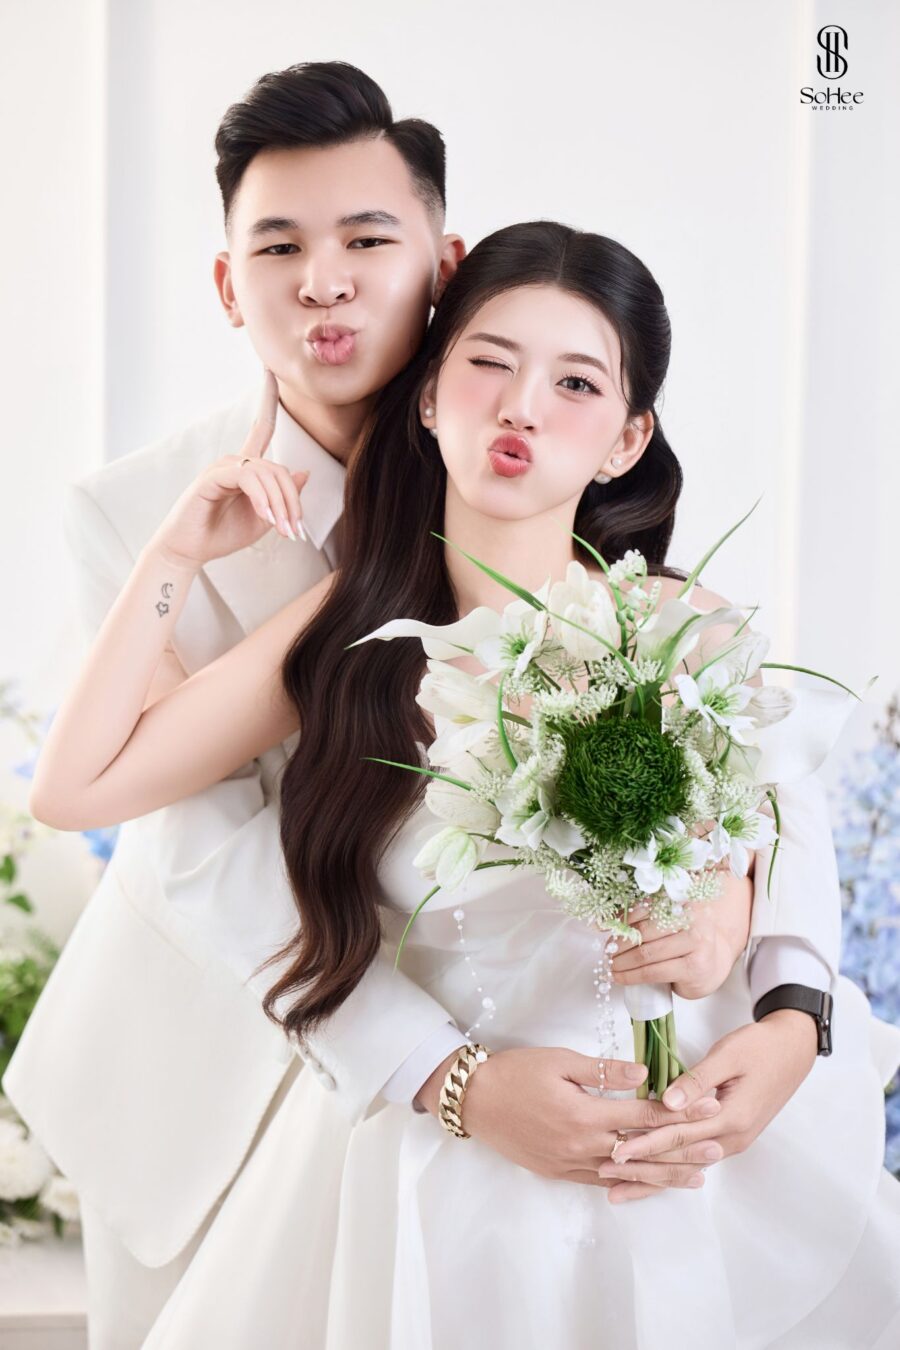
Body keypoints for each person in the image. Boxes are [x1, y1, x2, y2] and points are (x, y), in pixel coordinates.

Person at [1, 61, 786, 1348]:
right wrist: (448, 1079)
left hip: (541, 1078)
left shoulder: (526, 433)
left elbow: (734, 734)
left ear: (440, 258)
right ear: (227, 282)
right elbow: (196, 846)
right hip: (212, 1074)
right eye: (280, 246)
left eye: (368, 239)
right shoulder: (147, 515)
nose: (326, 281)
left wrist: (771, 965)